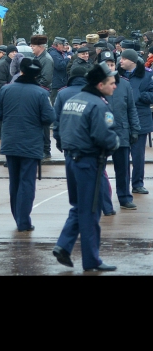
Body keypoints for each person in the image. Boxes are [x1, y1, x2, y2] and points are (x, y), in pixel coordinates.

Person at [52, 63, 120, 272]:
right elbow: (104, 136)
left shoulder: (73, 100)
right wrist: (115, 143)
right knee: (91, 210)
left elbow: (58, 131)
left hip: (72, 160)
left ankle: (63, 246)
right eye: (111, 83)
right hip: (89, 162)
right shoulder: (99, 105)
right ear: (100, 85)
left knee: (79, 206)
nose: (115, 86)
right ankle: (91, 260)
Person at [0, 58, 56, 232]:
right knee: (27, 183)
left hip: (11, 141)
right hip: (31, 142)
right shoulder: (41, 93)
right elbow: (49, 118)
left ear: (21, 71)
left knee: (15, 182)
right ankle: (23, 220)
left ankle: (18, 217)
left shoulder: (6, 89)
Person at [98, 51, 138, 211]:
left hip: (121, 132)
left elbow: (131, 108)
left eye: (112, 64)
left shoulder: (124, 84)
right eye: (106, 65)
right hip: (100, 134)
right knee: (99, 169)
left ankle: (124, 197)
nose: (109, 67)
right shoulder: (96, 85)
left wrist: (135, 129)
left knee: (123, 169)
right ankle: (102, 201)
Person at [118, 49, 153, 195]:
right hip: (122, 120)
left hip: (141, 118)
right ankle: (124, 184)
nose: (121, 61)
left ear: (132, 60)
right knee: (122, 156)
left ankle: (138, 183)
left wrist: (138, 96)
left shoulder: (147, 75)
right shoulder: (117, 76)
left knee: (138, 155)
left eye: (124, 59)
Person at [30, 35, 54, 158]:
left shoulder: (47, 59)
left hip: (42, 93)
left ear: (40, 46)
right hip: (36, 92)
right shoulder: (37, 58)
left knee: (44, 123)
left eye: (33, 46)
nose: (31, 48)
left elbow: (46, 79)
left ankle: (46, 149)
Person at [0, 45, 18, 140]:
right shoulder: (2, 65)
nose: (14, 54)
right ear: (7, 53)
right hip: (4, 93)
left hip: (15, 94)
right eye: (12, 52)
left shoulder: (18, 64)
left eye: (15, 52)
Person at [48, 38, 70, 103]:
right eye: (63, 45)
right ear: (58, 45)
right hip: (56, 83)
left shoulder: (57, 53)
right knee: (55, 102)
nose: (64, 47)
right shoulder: (53, 54)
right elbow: (59, 66)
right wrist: (68, 59)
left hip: (60, 82)